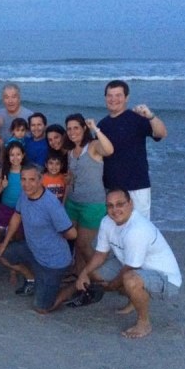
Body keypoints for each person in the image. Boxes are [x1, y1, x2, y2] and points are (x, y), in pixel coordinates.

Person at [67, 189, 182, 338]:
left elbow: (130, 268)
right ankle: (133, 299)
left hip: (165, 278)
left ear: (130, 204)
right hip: (133, 266)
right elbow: (101, 254)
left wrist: (112, 286)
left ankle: (144, 323)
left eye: (120, 204)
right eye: (110, 205)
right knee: (94, 273)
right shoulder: (107, 221)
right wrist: (83, 273)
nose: (115, 210)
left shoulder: (137, 229)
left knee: (130, 280)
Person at [0, 164, 77, 313]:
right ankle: (32, 278)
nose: (27, 184)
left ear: (40, 180)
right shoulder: (24, 194)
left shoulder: (51, 204)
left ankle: (74, 286)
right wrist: (4, 243)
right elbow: (17, 216)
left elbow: (72, 234)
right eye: (23, 179)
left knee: (42, 308)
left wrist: (53, 235)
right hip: (32, 249)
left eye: (32, 179)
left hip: (54, 262)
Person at [98, 80, 168, 219]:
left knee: (140, 226)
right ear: (105, 98)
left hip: (137, 186)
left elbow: (161, 133)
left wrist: (150, 116)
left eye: (118, 95)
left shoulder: (137, 118)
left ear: (127, 98)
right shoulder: (102, 125)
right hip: (111, 187)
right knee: (115, 226)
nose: (113, 99)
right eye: (110, 95)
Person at [65, 113, 114, 273]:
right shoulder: (70, 151)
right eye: (69, 129)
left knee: (84, 244)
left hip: (92, 204)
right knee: (75, 241)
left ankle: (97, 276)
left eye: (76, 128)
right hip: (72, 202)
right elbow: (71, 177)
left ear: (84, 128)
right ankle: (78, 273)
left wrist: (95, 129)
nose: (72, 132)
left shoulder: (93, 146)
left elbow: (109, 150)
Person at [0, 141, 27, 246]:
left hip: (21, 211)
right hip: (4, 209)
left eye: (18, 154)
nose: (15, 157)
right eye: (12, 155)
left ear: (23, 155)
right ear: (8, 156)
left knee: (15, 239)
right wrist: (2, 186)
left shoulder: (27, 172)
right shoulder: (4, 171)